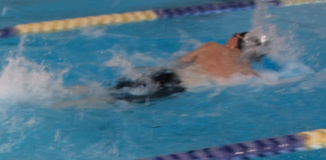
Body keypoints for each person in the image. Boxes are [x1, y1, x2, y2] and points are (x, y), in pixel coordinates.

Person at [109, 30, 270, 103]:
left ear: (237, 40)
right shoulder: (248, 72)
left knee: (113, 90)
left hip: (167, 74)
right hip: (178, 88)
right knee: (119, 101)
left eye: (234, 35)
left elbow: (179, 61)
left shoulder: (212, 46)